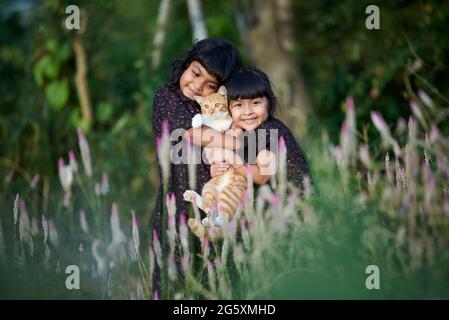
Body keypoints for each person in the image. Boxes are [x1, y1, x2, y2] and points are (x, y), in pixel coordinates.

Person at [151, 38, 242, 295]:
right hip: (177, 206)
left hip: (220, 206)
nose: (197, 85)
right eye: (195, 73)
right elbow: (191, 133)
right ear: (186, 65)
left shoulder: (220, 106)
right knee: (176, 287)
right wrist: (241, 144)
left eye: (209, 84)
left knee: (218, 285)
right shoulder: (167, 97)